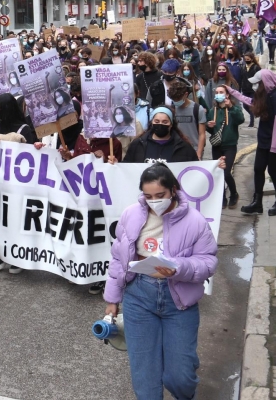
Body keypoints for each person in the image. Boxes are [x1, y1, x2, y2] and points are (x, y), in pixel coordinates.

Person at [104, 163, 217, 399]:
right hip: (138, 298)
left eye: (160, 195)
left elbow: (208, 262)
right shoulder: (130, 215)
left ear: (173, 190)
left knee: (179, 377)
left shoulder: (195, 221)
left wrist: (177, 269)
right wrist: (112, 300)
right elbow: (117, 258)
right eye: (148, 196)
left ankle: (184, 368)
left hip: (179, 303)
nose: (154, 201)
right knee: (144, 377)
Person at [227, 72, 276, 215]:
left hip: (273, 143)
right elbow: (251, 102)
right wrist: (233, 92)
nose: (255, 86)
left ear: (266, 82)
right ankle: (257, 203)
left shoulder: (274, 97)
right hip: (263, 140)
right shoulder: (264, 95)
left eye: (257, 83)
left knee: (273, 171)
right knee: (258, 169)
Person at [206, 86, 245, 208]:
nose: (218, 95)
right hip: (217, 146)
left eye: (221, 92)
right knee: (218, 172)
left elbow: (240, 120)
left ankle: (234, 194)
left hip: (230, 145)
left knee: (226, 172)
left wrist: (231, 107)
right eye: (217, 92)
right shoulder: (213, 111)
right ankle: (221, 197)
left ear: (227, 95)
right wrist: (209, 126)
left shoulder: (234, 108)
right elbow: (210, 130)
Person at [119, 107, 199, 164]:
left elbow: (193, 171)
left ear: (171, 124)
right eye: (157, 121)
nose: (160, 124)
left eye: (165, 122)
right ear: (152, 122)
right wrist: (115, 164)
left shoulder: (184, 147)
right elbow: (127, 167)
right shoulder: (137, 144)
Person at [168, 80, 207, 159]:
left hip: (194, 149)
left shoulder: (197, 109)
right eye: (174, 99)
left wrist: (199, 153)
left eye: (178, 98)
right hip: (176, 149)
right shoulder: (171, 109)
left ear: (186, 94)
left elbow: (202, 134)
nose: (176, 101)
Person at [240, 52, 261, 127]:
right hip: (245, 89)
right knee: (245, 105)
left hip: (253, 89)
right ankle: (253, 114)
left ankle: (251, 121)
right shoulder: (243, 67)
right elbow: (241, 78)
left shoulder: (256, 67)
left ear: (252, 59)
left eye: (248, 59)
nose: (246, 60)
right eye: (245, 59)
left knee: (251, 104)